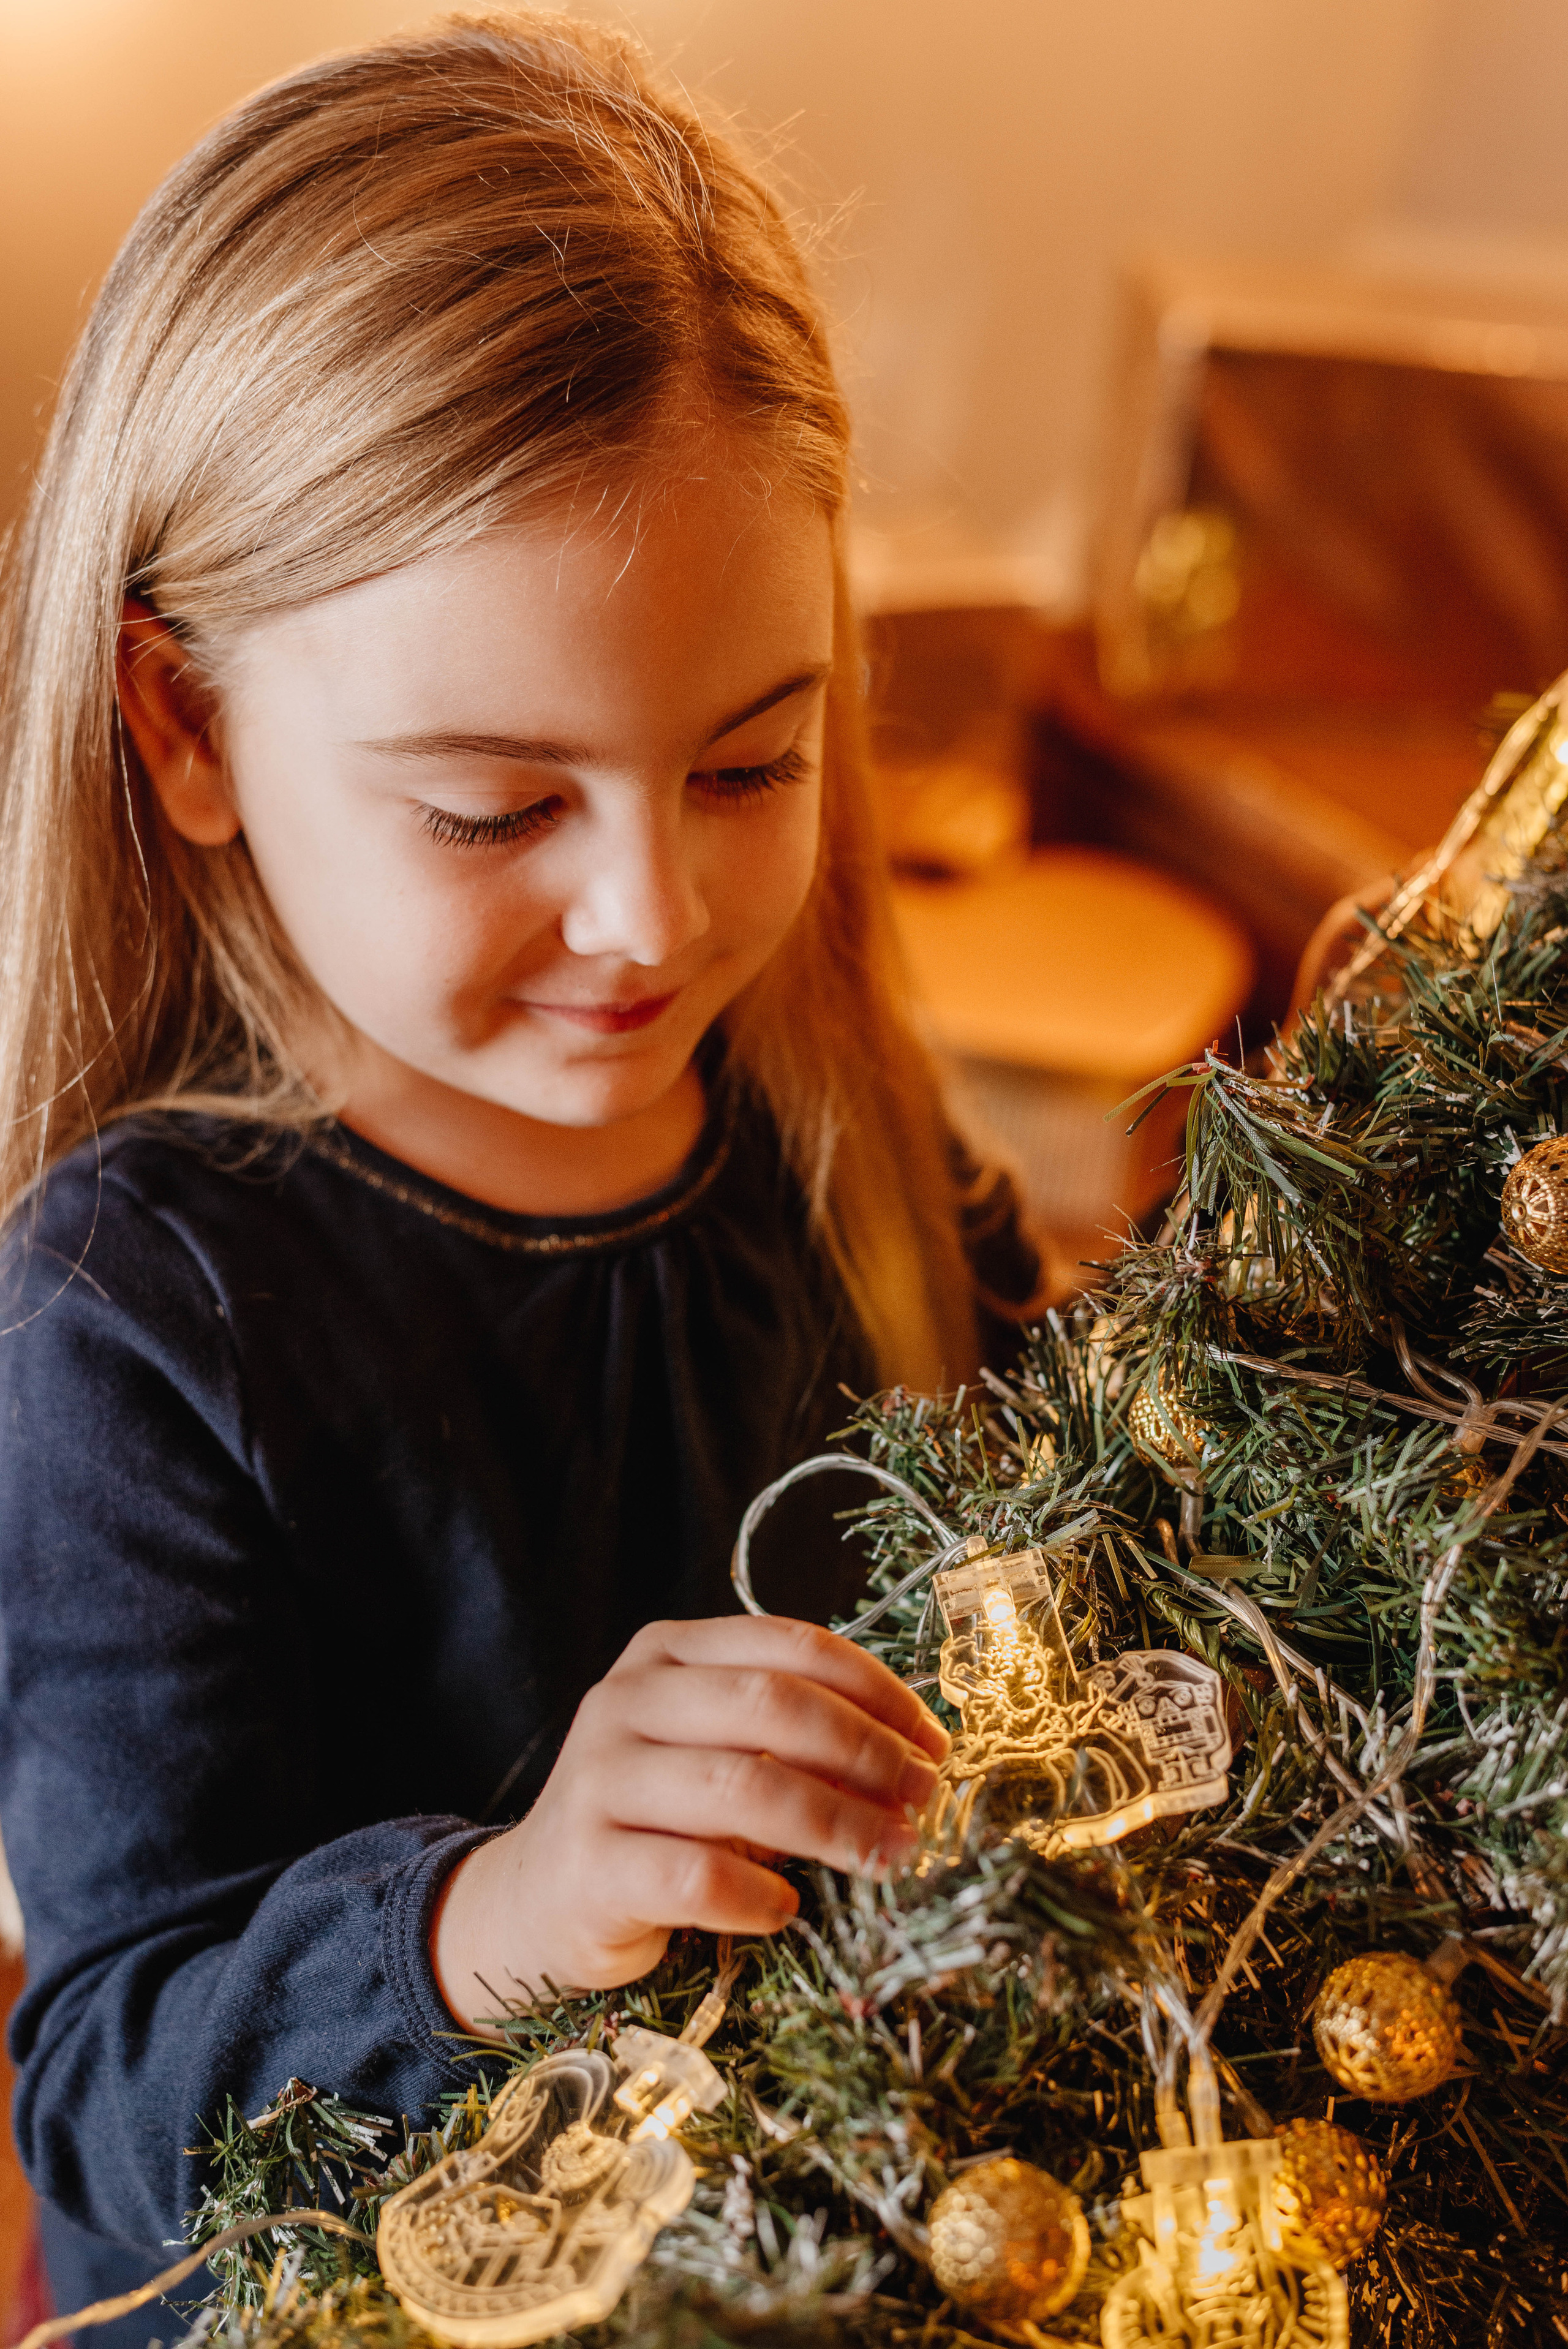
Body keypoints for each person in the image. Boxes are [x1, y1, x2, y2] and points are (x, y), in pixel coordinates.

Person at [0, 13, 1042, 2338]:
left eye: (752, 763)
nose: (655, 919)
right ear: (186, 729)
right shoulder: (136, 1312)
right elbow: (102, 2096)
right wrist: (496, 1912)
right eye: (494, 808)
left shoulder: (840, 1128)